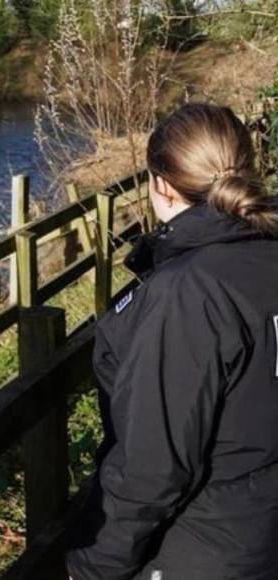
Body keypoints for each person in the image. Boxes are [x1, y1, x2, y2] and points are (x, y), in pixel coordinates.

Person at [67, 103, 278, 580]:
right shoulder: (259, 262)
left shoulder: (188, 294)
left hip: (201, 548)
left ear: (160, 183)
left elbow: (153, 465)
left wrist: (95, 566)